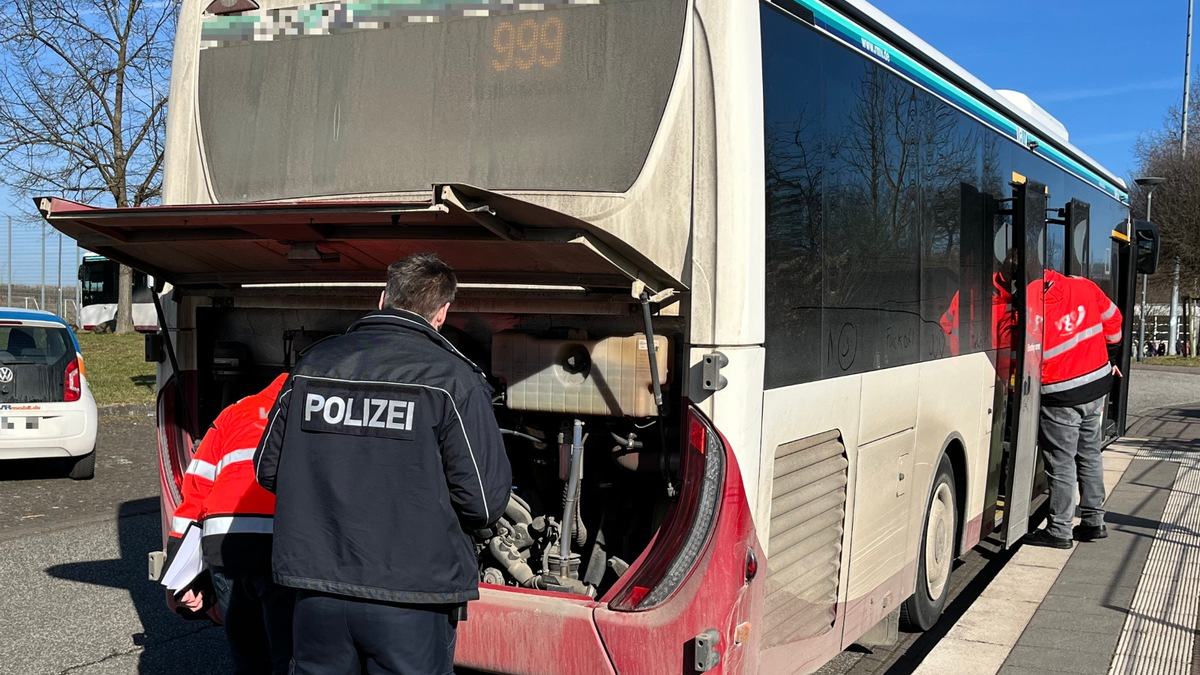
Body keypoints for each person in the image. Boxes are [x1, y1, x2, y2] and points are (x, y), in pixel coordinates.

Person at [254, 253, 512, 675]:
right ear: (442, 312)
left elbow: (268, 469)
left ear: (382, 299)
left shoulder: (313, 365)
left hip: (317, 589)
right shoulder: (453, 380)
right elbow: (483, 502)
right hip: (412, 597)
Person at [169, 373, 295, 674]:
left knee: (247, 658)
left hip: (225, 548)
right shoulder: (312, 412)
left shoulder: (235, 412)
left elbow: (195, 491)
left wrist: (178, 572)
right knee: (288, 658)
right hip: (280, 550)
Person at [1022, 269, 1123, 549]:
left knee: (1061, 462)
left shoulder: (1028, 301)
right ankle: (1093, 521)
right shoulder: (1084, 286)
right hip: (1095, 385)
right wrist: (1111, 356)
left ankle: (1059, 530)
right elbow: (1114, 320)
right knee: (1090, 453)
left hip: (1059, 393)